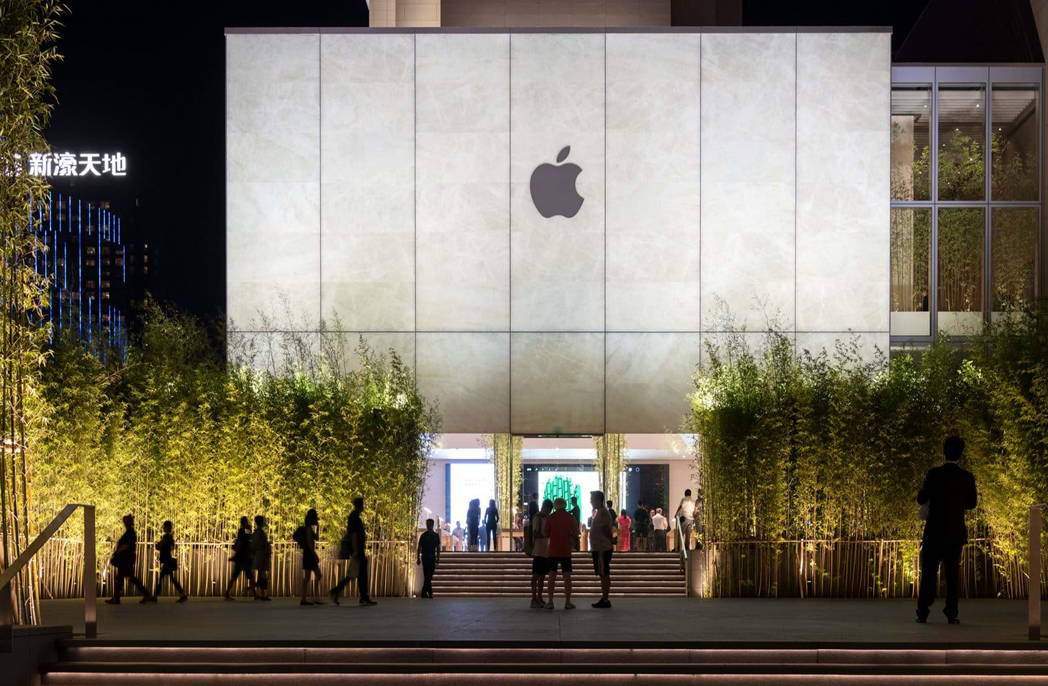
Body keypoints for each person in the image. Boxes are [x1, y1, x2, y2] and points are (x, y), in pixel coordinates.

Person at [916, 435, 978, 625]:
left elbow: (921, 498)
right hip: (955, 532)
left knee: (928, 572)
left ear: (944, 452)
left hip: (934, 532)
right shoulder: (967, 477)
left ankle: (923, 612)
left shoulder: (934, 474)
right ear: (961, 454)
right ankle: (952, 613)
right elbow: (972, 504)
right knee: (952, 575)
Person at [331, 497, 378, 606]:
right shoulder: (354, 517)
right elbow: (354, 534)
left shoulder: (354, 516)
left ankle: (362, 596)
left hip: (357, 549)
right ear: (361, 505)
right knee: (357, 573)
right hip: (357, 550)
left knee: (356, 573)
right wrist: (356, 550)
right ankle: (360, 596)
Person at [106, 514, 153, 604]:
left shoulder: (130, 533)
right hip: (126, 558)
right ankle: (117, 598)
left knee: (125, 577)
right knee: (124, 577)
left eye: (125, 521)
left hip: (126, 558)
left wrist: (118, 551)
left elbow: (128, 545)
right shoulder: (130, 532)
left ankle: (117, 598)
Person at [543, 497, 579, 610]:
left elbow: (545, 533)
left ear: (555, 506)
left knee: (552, 576)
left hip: (553, 550)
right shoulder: (570, 517)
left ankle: (550, 601)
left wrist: (553, 535)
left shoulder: (550, 517)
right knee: (567, 576)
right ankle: (568, 601)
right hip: (565, 550)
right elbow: (576, 533)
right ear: (565, 505)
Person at [150, 520, 187, 603]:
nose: (163, 528)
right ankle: (182, 594)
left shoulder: (166, 537)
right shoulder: (170, 537)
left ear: (167, 527)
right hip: (168, 559)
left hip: (167, 560)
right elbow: (173, 547)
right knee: (169, 578)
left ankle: (155, 596)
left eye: (164, 526)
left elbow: (159, 546)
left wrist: (158, 544)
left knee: (163, 578)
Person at [588, 490, 614, 609]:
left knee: (604, 573)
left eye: (592, 499)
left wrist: (611, 540)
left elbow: (606, 530)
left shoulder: (603, 512)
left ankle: (605, 599)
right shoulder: (601, 512)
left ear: (599, 500)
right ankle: (604, 598)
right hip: (599, 547)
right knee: (602, 573)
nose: (591, 501)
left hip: (602, 548)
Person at [295, 508, 323, 606]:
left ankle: (307, 598)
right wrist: (314, 554)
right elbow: (309, 542)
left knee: (308, 577)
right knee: (316, 575)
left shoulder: (309, 528)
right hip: (309, 553)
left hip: (308, 553)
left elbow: (316, 537)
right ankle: (312, 597)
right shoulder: (307, 528)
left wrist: (318, 528)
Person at [224, 516, 255, 601]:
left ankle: (227, 593)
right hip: (243, 557)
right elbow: (241, 543)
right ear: (243, 523)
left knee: (237, 576)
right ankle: (255, 594)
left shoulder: (244, 531)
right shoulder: (241, 531)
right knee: (249, 576)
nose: (247, 523)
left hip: (241, 557)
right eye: (246, 521)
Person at [529, 499, 553, 608]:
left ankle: (539, 597)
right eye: (549, 510)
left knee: (542, 575)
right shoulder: (537, 517)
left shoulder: (545, 518)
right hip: (538, 550)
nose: (549, 512)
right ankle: (534, 598)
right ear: (545, 507)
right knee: (536, 575)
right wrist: (547, 535)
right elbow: (536, 534)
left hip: (545, 551)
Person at [417, 518, 441, 599]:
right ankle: (430, 592)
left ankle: (424, 591)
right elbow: (419, 547)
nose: (428, 526)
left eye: (430, 524)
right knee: (426, 574)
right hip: (425, 557)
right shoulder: (424, 536)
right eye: (427, 524)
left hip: (432, 557)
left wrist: (438, 557)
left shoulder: (435, 536)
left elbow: (438, 547)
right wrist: (418, 558)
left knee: (430, 575)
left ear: (432, 525)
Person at [251, 515, 272, 601]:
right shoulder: (261, 533)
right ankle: (263, 594)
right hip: (262, 555)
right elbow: (262, 544)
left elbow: (253, 544)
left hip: (258, 555)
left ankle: (260, 593)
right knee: (263, 574)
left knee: (261, 574)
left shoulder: (255, 533)